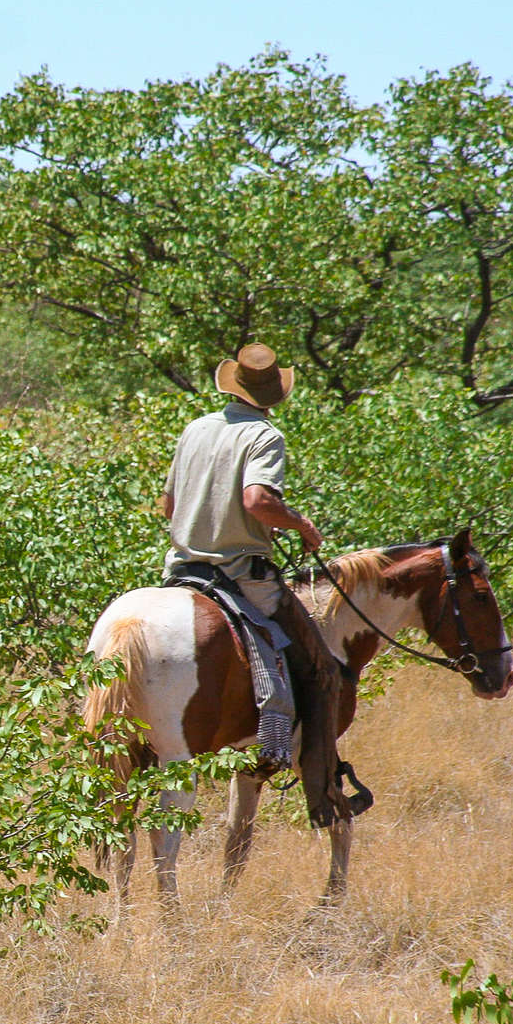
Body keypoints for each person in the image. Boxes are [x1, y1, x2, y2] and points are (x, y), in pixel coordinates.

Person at [160, 342, 352, 827]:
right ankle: (320, 794)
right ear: (272, 394)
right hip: (241, 575)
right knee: (323, 671)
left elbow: (168, 507)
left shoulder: (195, 429)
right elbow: (257, 499)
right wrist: (301, 525)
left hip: (181, 572)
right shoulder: (265, 435)